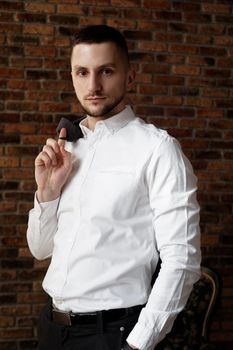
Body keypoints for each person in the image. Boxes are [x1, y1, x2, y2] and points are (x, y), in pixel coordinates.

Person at [27, 25, 201, 350]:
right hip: (52, 329)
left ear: (129, 77)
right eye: (82, 72)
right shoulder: (68, 151)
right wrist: (47, 194)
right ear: (73, 77)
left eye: (106, 71)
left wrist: (138, 344)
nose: (92, 86)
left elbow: (183, 259)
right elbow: (40, 249)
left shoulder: (158, 149)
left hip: (114, 334)